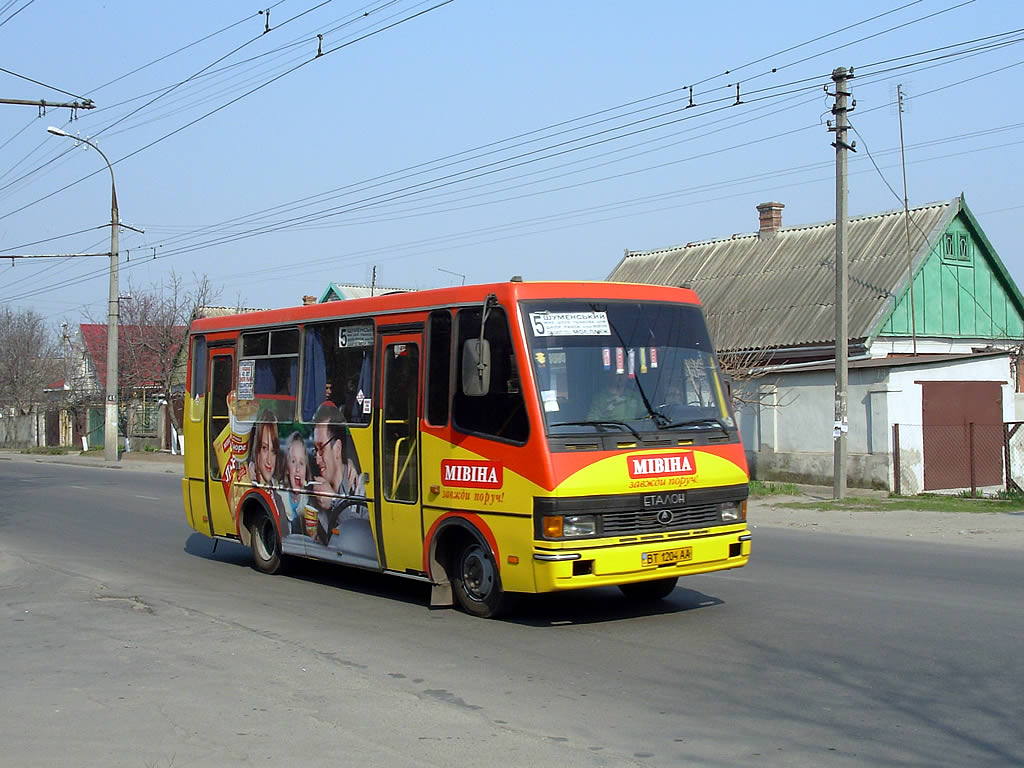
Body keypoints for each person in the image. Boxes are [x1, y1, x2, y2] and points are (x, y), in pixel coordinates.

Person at [310, 403, 370, 548]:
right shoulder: (314, 487)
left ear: (337, 449)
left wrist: (334, 502)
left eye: (321, 449)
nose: (317, 459)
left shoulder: (359, 485)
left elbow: (367, 534)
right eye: (315, 450)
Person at [279, 431, 311, 536]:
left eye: (301, 463)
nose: (297, 469)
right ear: (287, 469)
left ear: (306, 470)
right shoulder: (279, 494)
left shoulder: (308, 499)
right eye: (293, 462)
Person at [248, 411, 280, 488]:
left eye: (273, 451)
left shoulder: (278, 491)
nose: (269, 461)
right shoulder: (246, 481)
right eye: (264, 448)